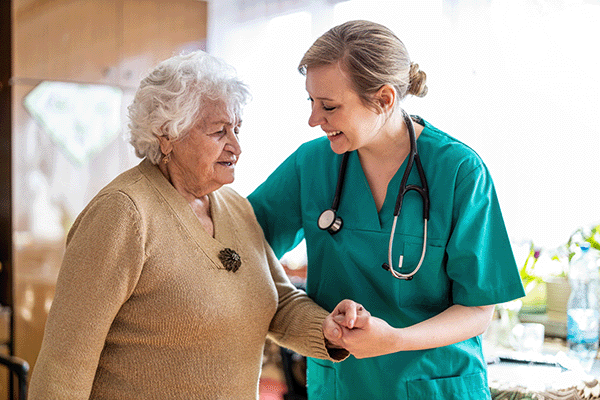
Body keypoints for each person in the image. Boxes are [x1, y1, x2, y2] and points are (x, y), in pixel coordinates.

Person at [27, 50, 364, 400]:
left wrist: (327, 329)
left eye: (237, 128)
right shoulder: (124, 214)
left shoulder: (235, 208)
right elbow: (64, 367)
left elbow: (277, 301)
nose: (236, 146)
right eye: (220, 131)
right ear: (166, 135)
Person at [248, 20, 526, 399]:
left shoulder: (458, 171)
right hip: (341, 384)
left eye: (329, 106)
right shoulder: (310, 165)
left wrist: (394, 339)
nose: (314, 120)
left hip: (433, 384)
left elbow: (478, 310)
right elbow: (242, 242)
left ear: (384, 99)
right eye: (311, 102)